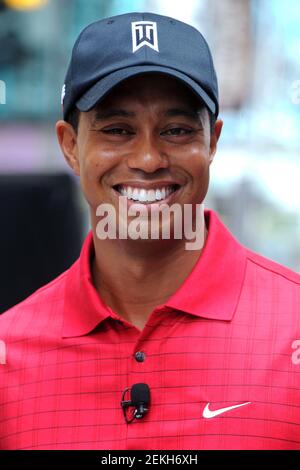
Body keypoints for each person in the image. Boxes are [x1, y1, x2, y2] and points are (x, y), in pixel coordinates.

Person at [0, 11, 300, 451]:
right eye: (117, 130)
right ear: (70, 146)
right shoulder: (9, 354)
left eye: (176, 130)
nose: (147, 158)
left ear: (212, 142)